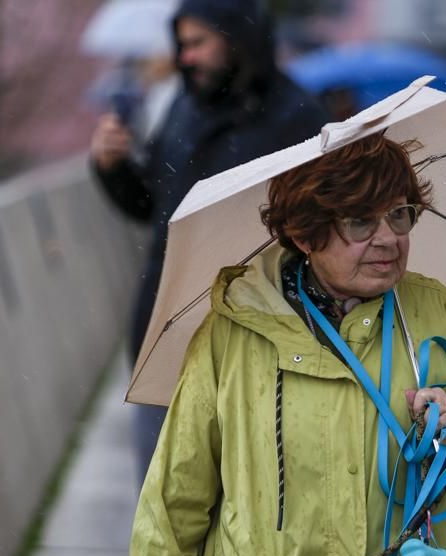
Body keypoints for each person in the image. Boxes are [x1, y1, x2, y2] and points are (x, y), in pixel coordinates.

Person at [111, 134, 446, 556]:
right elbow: (180, 479)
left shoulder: (433, 313)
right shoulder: (233, 331)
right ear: (304, 232)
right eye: (360, 223)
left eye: (400, 215)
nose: (388, 239)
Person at [89, 0, 328, 481]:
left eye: (198, 43)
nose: (185, 58)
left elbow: (318, 234)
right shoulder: (183, 107)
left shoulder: (298, 117)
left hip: (259, 345)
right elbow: (152, 207)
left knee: (244, 505)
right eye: (181, 45)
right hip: (167, 329)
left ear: (237, 39)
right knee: (161, 501)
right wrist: (111, 168)